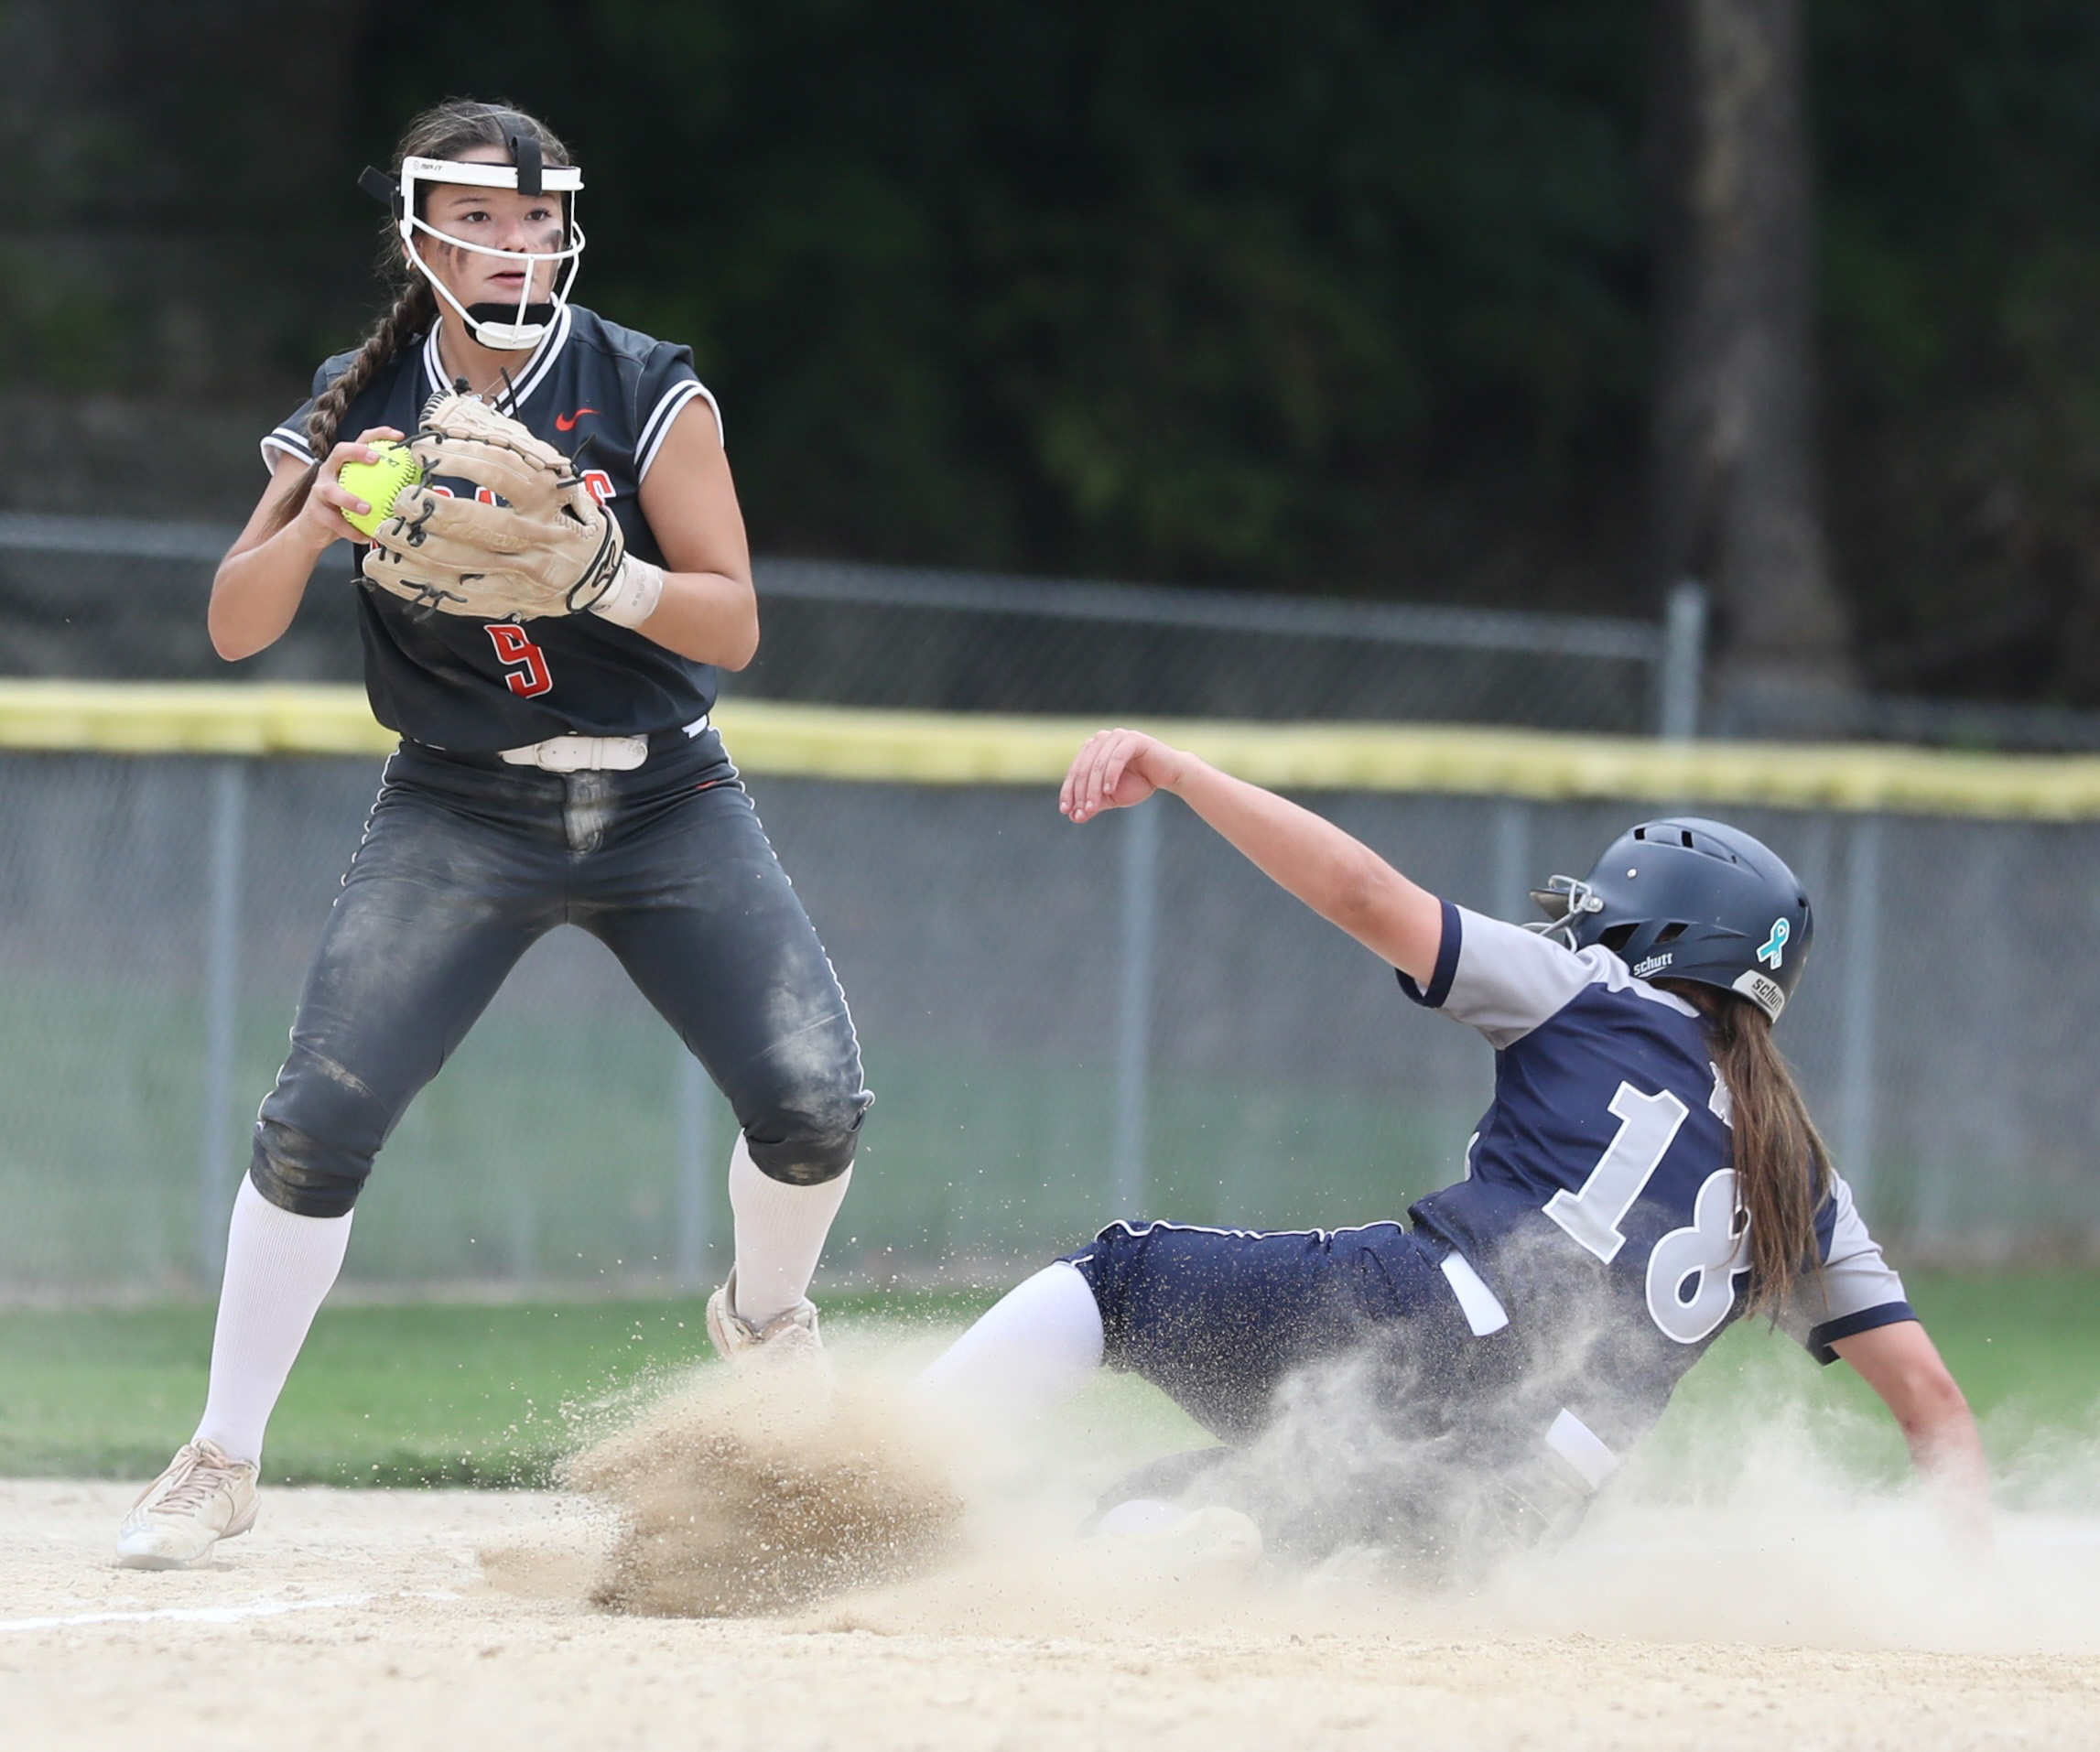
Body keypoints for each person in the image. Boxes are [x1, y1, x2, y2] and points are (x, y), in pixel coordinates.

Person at [115, 101, 870, 1570]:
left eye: (536, 216)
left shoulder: (642, 384)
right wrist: (315, 524)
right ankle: (221, 1453)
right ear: (419, 233)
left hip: (663, 796)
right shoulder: (360, 397)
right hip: (461, 800)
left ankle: (766, 1317)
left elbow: (732, 621)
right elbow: (232, 622)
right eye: (479, 215)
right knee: (317, 1121)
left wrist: (607, 578)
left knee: (815, 1101)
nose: (514, 241)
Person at [922, 728, 1985, 1565]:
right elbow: (1932, 1405)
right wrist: (1965, 1595)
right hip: (1517, 1505)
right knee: (1189, 1512)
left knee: (1117, 1279)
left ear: (1652, 933)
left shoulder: (1593, 996)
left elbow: (1363, 894)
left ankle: (878, 1473)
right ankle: (1195, 1544)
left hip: (1436, 1323)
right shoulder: (1802, 1178)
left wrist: (1180, 772)